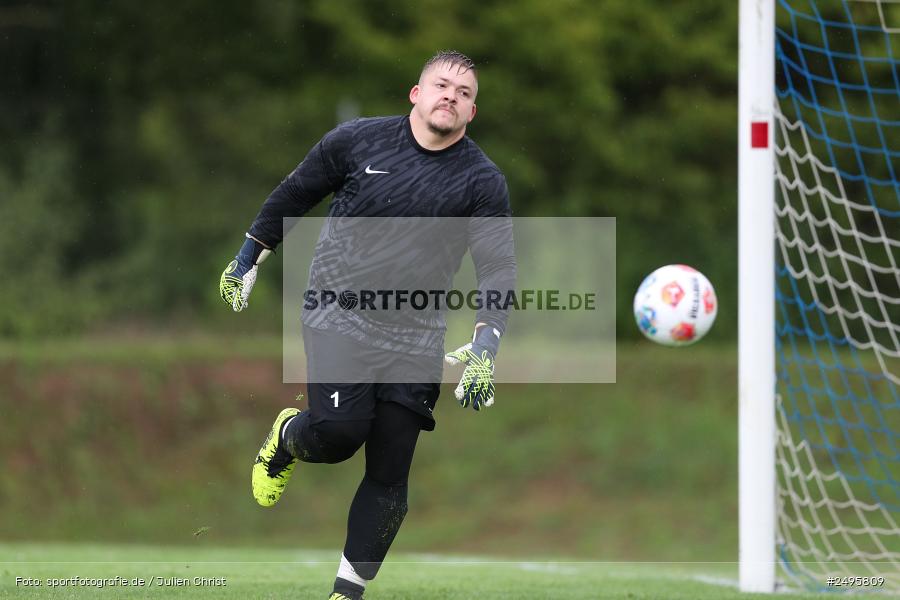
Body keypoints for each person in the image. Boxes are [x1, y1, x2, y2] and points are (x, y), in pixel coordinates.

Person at [219, 50, 515, 600]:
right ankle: (288, 436)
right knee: (337, 435)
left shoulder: (483, 180)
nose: (451, 95)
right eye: (442, 85)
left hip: (417, 335)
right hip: (339, 313)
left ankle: (345, 593)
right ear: (416, 94)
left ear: (472, 112)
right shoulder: (356, 141)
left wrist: (486, 344)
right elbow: (294, 194)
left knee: (390, 466)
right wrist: (248, 255)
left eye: (465, 93)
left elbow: (497, 267)